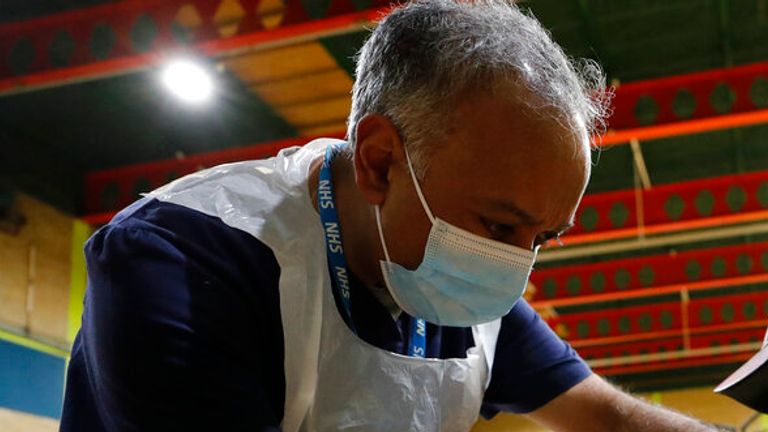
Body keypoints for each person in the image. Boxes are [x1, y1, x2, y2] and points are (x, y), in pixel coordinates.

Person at [61, 1, 719, 431]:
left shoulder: (459, 289)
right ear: (380, 163)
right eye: (499, 226)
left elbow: (606, 415)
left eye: (542, 238)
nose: (516, 267)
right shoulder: (185, 261)